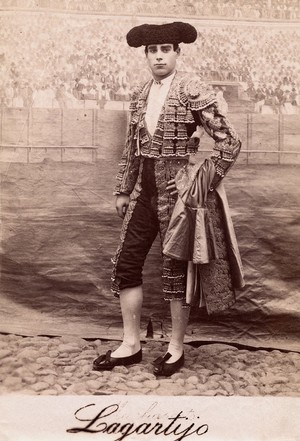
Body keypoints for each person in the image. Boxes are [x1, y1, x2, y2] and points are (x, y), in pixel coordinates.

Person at [93, 22, 244, 376]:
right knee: (126, 264)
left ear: (177, 52)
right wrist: (122, 189)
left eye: (165, 49)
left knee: (175, 272)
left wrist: (199, 180)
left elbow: (229, 142)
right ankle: (131, 345)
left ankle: (175, 349)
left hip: (178, 197)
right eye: (152, 50)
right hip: (144, 193)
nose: (159, 56)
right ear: (145, 55)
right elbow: (133, 148)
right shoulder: (140, 93)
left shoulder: (193, 89)